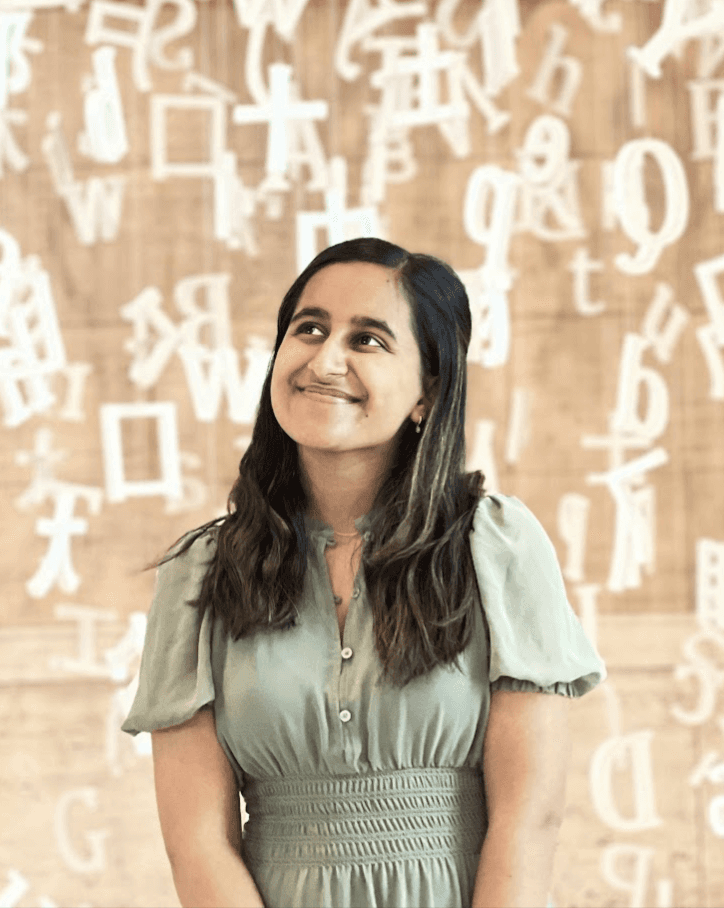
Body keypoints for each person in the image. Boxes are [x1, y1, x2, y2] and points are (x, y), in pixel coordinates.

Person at [121, 237, 607, 908]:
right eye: (309, 328)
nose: (325, 359)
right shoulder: (199, 573)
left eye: (369, 340)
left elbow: (529, 822)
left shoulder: (497, 547)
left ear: (426, 392)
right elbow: (197, 842)